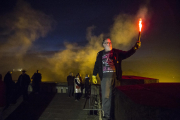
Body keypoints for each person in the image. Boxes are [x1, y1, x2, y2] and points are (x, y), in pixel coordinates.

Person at [92, 38, 141, 120]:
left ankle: (113, 115)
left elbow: (126, 54)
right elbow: (96, 65)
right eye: (107, 42)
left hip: (116, 78)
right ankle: (107, 117)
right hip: (105, 79)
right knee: (106, 97)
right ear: (103, 44)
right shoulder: (100, 54)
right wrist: (94, 75)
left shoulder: (116, 52)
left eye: (110, 42)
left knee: (115, 97)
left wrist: (134, 48)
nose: (109, 44)